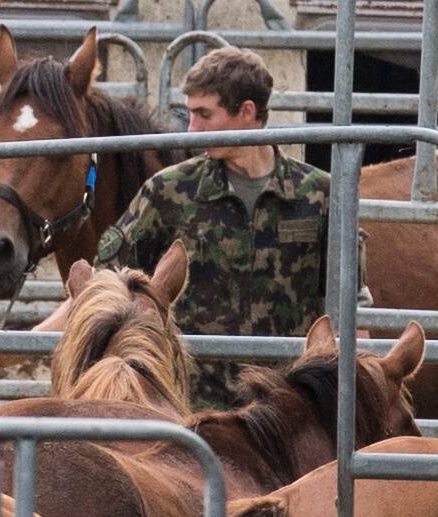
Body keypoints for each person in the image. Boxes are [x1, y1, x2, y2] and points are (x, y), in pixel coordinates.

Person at [95, 46, 329, 408]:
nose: (192, 129)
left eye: (204, 114)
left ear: (247, 112)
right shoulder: (170, 191)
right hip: (191, 409)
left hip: (284, 413)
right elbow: (104, 281)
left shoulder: (318, 194)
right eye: (189, 114)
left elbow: (350, 302)